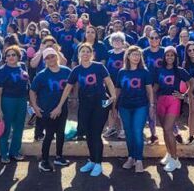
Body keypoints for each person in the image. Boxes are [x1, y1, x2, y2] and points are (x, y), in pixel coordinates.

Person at [52, 43, 117, 177]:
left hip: (100, 103)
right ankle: (92, 160)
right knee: (88, 133)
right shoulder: (76, 70)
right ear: (79, 54)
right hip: (85, 104)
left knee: (96, 133)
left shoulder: (99, 67)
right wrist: (59, 105)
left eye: (88, 51)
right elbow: (68, 88)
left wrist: (113, 96)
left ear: (92, 54)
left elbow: (109, 82)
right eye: (83, 51)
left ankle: (98, 163)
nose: (85, 53)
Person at [30, 48, 72, 172]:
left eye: (52, 56)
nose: (50, 59)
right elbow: (32, 91)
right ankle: (44, 161)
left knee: (60, 133)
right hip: (47, 110)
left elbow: (71, 87)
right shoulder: (42, 75)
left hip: (62, 109)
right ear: (44, 61)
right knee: (48, 135)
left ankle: (59, 156)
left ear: (57, 57)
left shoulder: (66, 71)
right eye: (47, 58)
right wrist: (35, 106)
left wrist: (61, 106)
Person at [154, 46, 194, 172]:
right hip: (160, 100)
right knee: (165, 131)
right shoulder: (159, 70)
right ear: (164, 57)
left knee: (168, 128)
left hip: (174, 101)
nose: (169, 57)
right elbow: (155, 86)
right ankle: (169, 154)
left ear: (175, 57)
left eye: (172, 55)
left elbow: (193, 83)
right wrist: (152, 100)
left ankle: (175, 159)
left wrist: (184, 95)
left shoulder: (180, 70)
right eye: (167, 55)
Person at [116, 45, 154, 173]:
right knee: (128, 132)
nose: (136, 57)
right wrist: (114, 106)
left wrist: (152, 106)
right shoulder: (122, 72)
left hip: (141, 105)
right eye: (134, 55)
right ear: (128, 56)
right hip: (124, 106)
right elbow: (118, 90)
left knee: (137, 132)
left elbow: (149, 90)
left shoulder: (144, 72)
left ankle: (139, 160)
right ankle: (131, 157)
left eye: (138, 55)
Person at [0, 45, 29, 163]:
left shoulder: (23, 66)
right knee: (6, 128)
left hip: (22, 100)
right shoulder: (2, 70)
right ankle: (4, 154)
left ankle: (15, 151)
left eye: (13, 55)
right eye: (8, 55)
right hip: (7, 101)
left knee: (19, 127)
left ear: (18, 56)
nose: (11, 57)